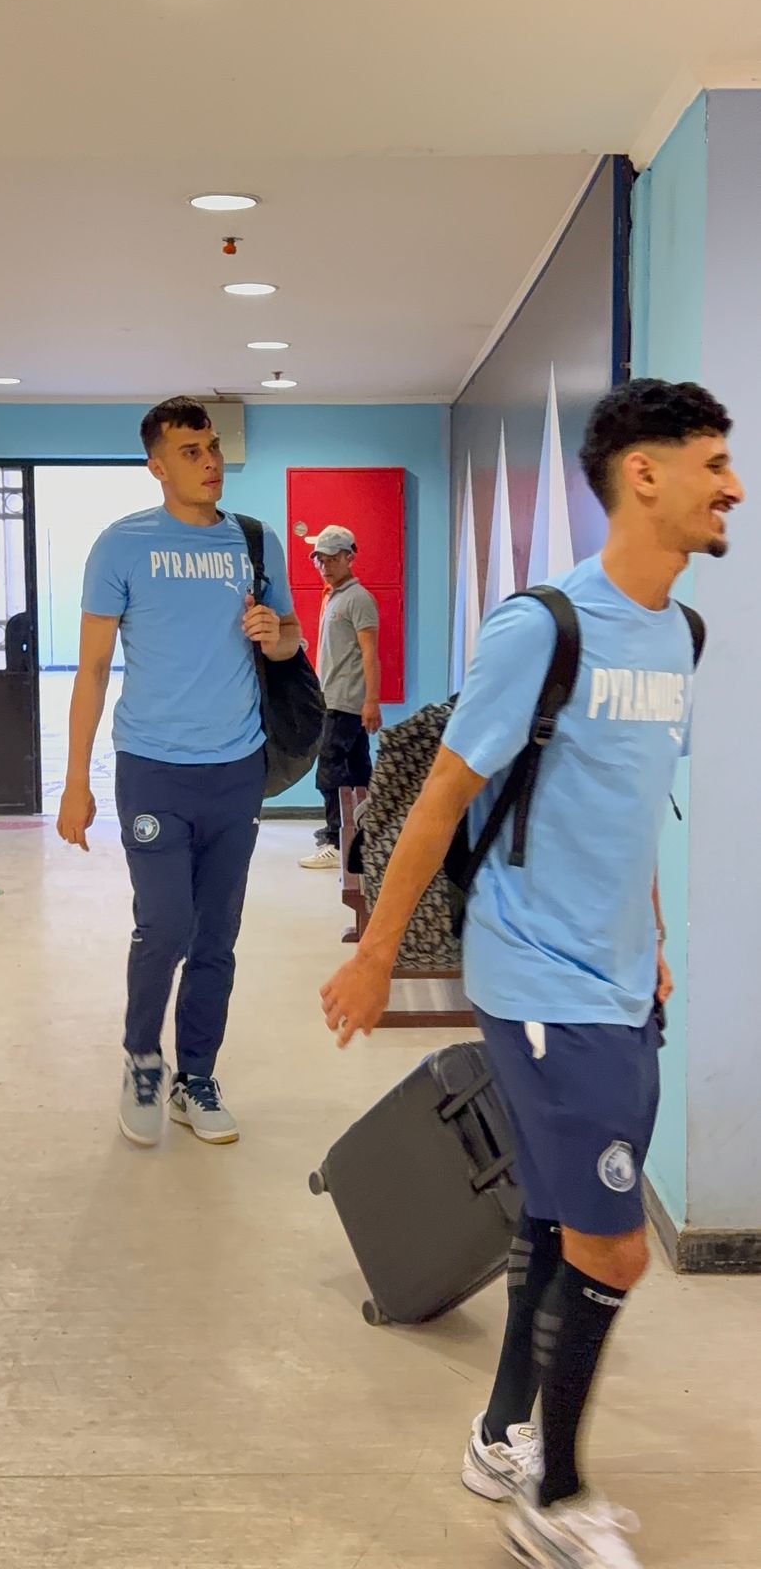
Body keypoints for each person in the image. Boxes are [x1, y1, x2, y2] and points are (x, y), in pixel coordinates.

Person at [320, 380, 743, 1569]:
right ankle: (552, 1496)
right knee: (616, 1248)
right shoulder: (543, 627)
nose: (733, 485)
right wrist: (374, 956)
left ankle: (502, 1434)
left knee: (561, 1218)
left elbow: (626, 805)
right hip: (539, 979)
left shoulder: (681, 634)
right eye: (713, 462)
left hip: (620, 981)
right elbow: (441, 794)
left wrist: (651, 940)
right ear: (643, 473)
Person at [57, 396, 300, 1148]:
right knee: (165, 924)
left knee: (217, 935)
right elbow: (92, 668)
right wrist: (75, 780)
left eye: (214, 447)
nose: (211, 462)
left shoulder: (254, 542)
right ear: (157, 466)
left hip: (236, 769)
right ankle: (142, 1059)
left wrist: (274, 632)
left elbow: (291, 641)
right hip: (153, 769)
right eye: (191, 451)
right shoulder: (121, 546)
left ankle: (196, 1077)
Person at [299, 524, 381, 870]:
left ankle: (336, 842)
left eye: (332, 558)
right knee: (358, 768)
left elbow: (370, 653)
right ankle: (364, 833)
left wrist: (371, 701)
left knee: (330, 770)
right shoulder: (333, 596)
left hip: (345, 702)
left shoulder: (358, 599)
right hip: (331, 698)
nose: (325, 565)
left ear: (349, 557)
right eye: (320, 559)